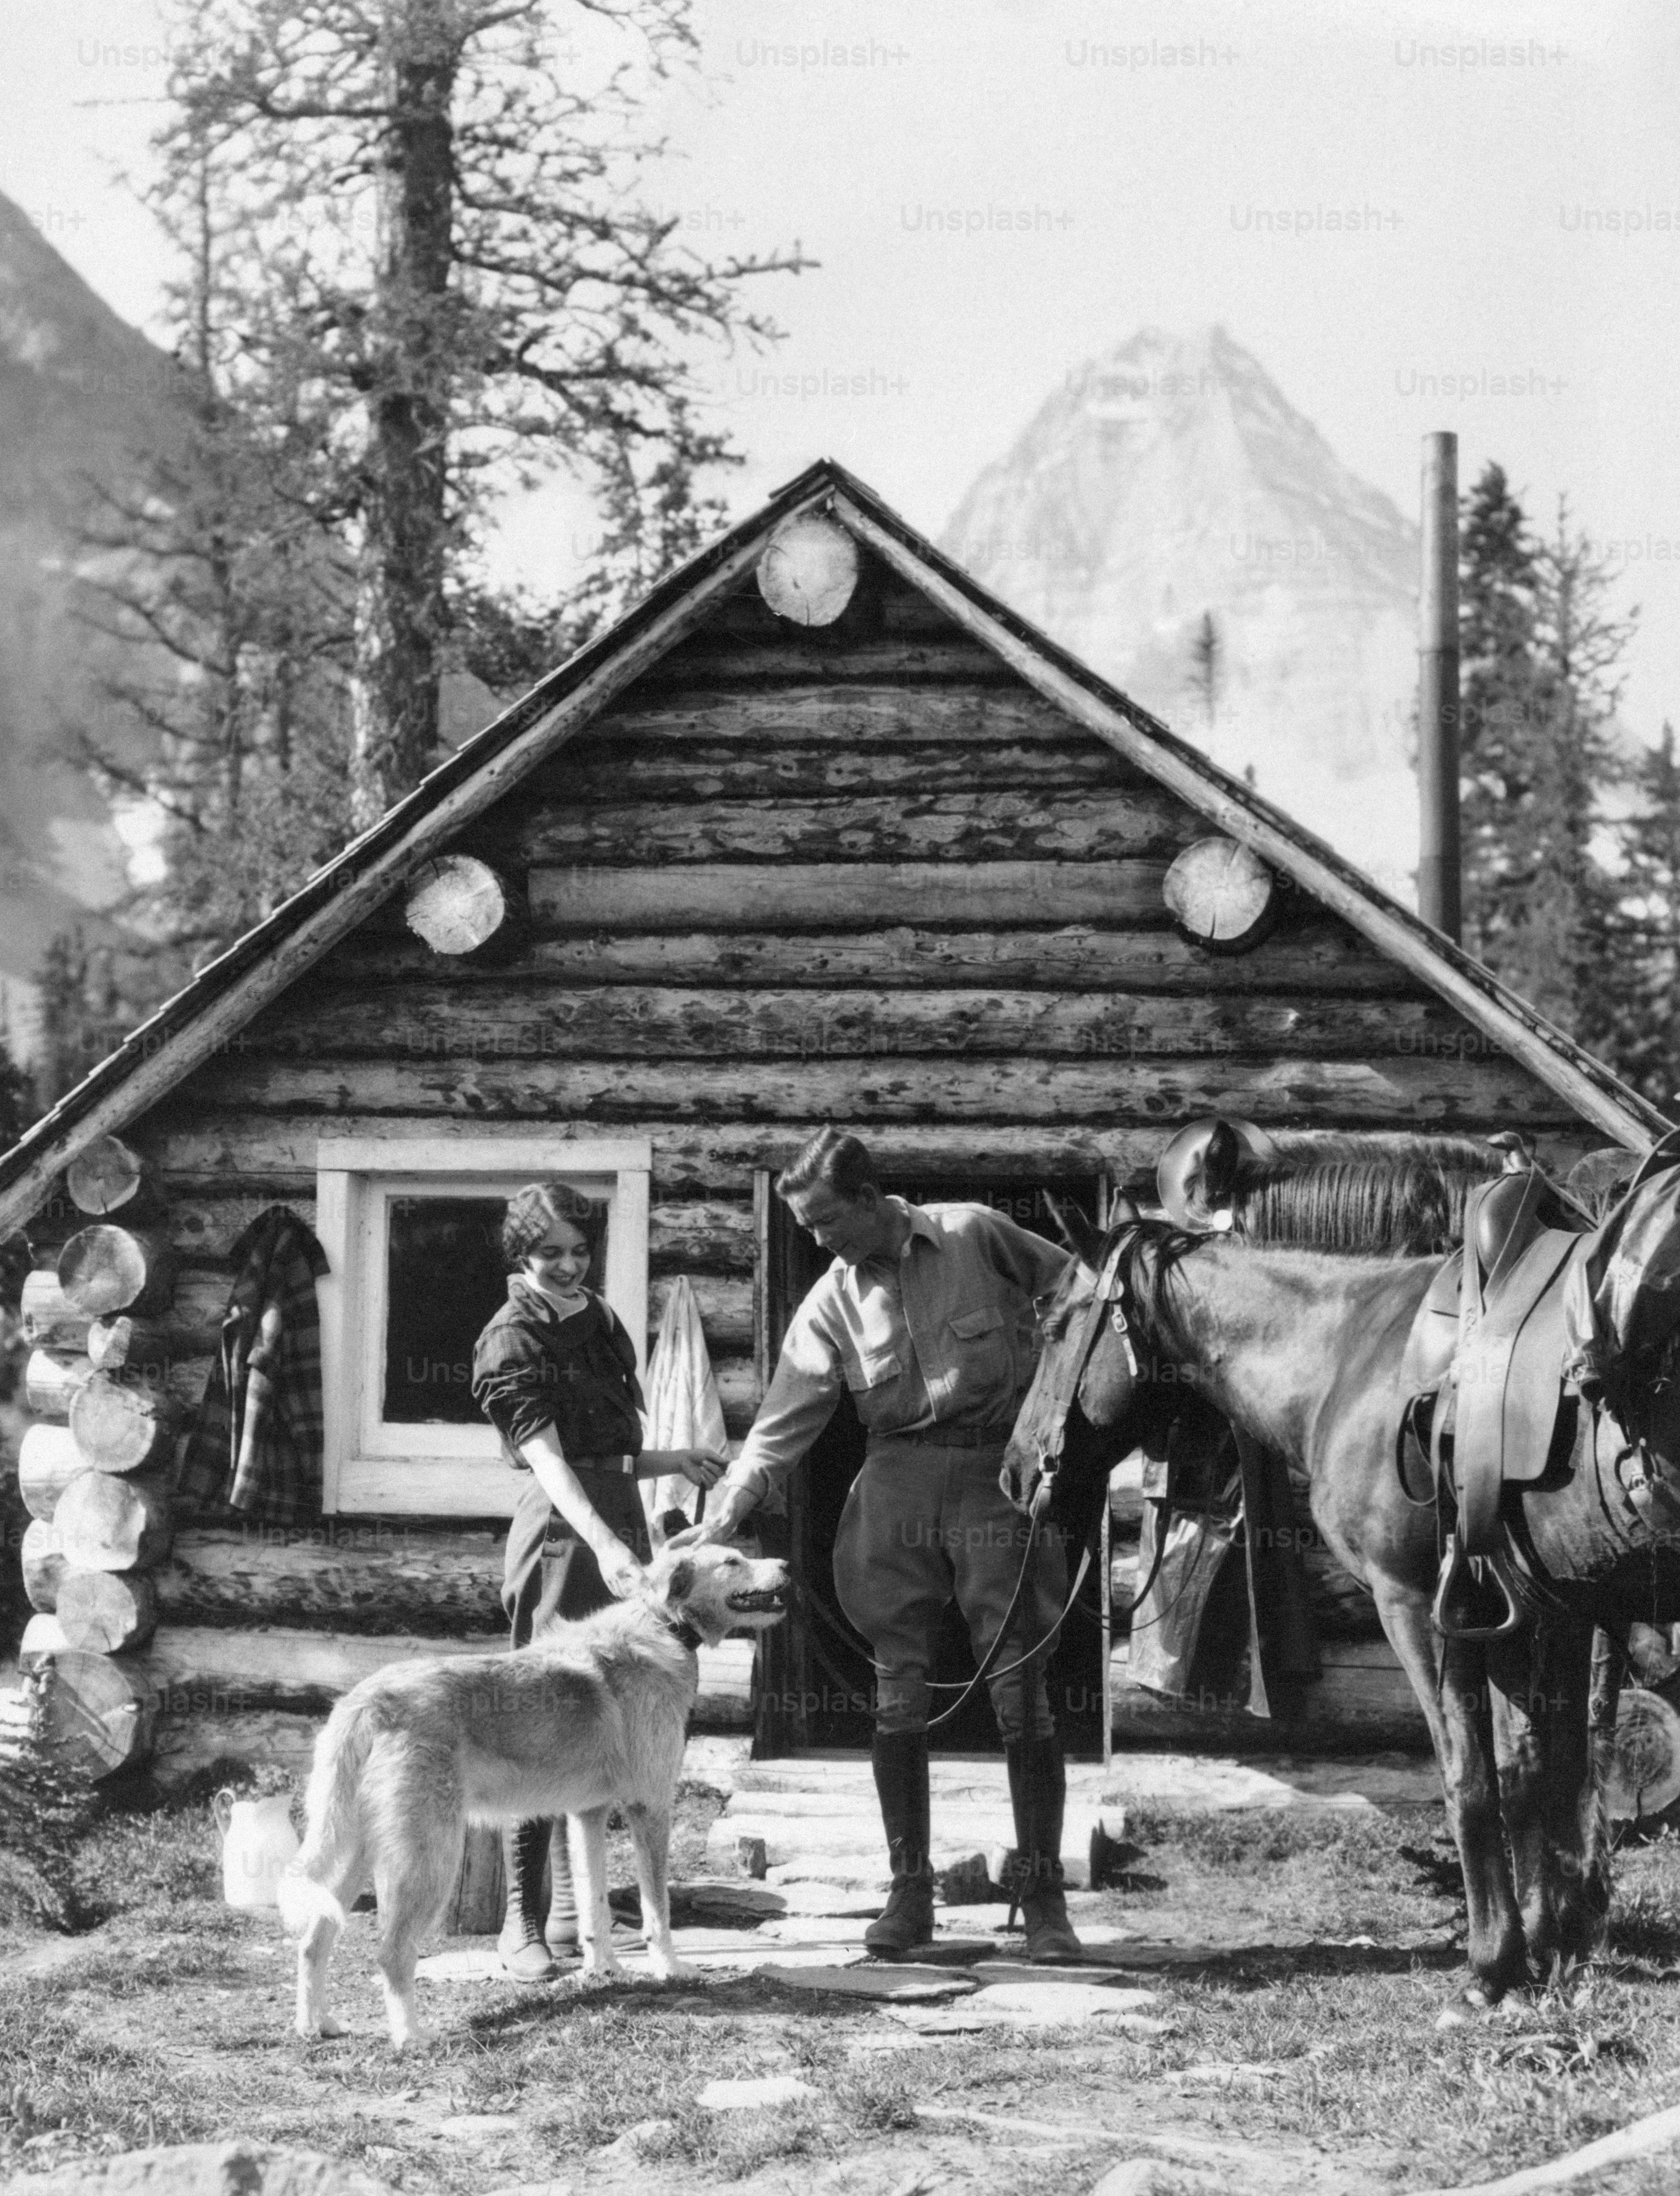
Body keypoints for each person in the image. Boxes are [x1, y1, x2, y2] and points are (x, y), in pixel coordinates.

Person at [674, 1129, 1082, 1962]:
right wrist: (726, 1513)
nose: (817, 1241)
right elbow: (781, 1427)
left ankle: (1043, 1900)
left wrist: (1056, 1404)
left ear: (869, 1198)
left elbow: (1081, 1293)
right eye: (806, 1227)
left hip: (996, 1474)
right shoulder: (830, 1300)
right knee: (897, 1689)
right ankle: (910, 1895)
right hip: (893, 1481)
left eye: (826, 1222)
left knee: (1021, 1690)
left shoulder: (974, 1232)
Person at [471, 1182, 727, 1980]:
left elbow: (607, 1452)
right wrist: (608, 1544)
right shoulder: (509, 1339)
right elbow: (551, 1464)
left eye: (580, 1251)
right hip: (560, 1537)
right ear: (521, 1255)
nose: (570, 1266)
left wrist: (667, 1464)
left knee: (613, 1725)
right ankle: (523, 1920)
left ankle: (590, 1910)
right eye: (551, 1254)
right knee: (538, 1723)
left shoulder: (605, 1325)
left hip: (615, 1522)